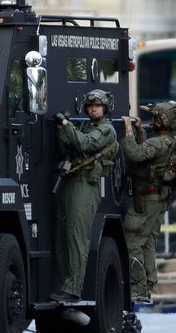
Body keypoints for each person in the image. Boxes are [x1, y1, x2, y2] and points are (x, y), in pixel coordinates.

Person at [50, 89, 118, 302]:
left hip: (85, 185)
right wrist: (64, 130)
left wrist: (66, 125)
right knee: (63, 237)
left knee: (77, 237)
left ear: (105, 108)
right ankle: (66, 284)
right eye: (90, 106)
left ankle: (74, 289)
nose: (93, 109)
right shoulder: (85, 127)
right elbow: (68, 146)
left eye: (97, 106)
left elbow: (85, 144)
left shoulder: (106, 129)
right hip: (71, 182)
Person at [120, 101, 176, 303]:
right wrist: (140, 132)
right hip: (160, 198)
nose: (153, 121)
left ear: (162, 120)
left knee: (132, 241)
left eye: (155, 117)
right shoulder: (171, 143)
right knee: (148, 241)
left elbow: (135, 154)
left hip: (147, 199)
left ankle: (138, 286)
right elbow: (148, 154)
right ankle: (148, 283)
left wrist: (129, 132)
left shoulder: (158, 143)